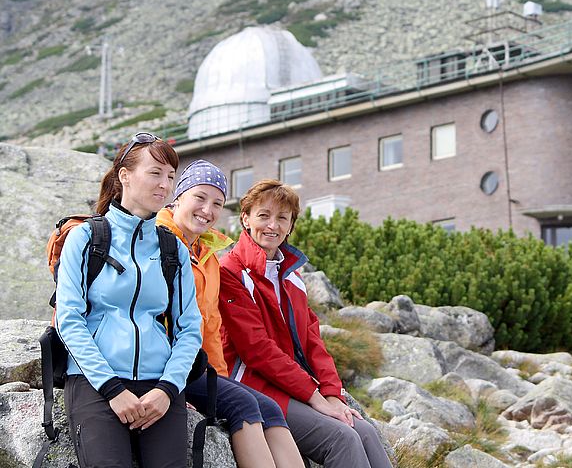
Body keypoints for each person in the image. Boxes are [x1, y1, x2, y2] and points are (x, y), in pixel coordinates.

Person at [219, 179, 392, 468]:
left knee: (365, 431)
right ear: (245, 219)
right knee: (342, 438)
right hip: (253, 385)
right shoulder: (230, 271)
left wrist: (332, 393)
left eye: (282, 218)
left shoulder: (291, 275)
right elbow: (256, 350)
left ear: (291, 226)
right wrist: (314, 396)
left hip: (290, 384)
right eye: (264, 216)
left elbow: (313, 340)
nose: (272, 225)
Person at [56, 133, 202, 467]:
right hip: (95, 380)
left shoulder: (172, 248)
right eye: (155, 173)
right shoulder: (87, 237)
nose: (165, 185)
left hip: (159, 385)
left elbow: (189, 327)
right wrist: (111, 389)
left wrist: (167, 389)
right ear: (125, 175)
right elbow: (69, 319)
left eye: (170, 176)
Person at [156, 160, 305, 468]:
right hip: (161, 367)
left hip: (195, 368)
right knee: (243, 403)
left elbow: (210, 326)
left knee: (270, 409)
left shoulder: (208, 255)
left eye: (217, 203)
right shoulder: (156, 239)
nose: (207, 210)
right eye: (200, 197)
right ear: (179, 195)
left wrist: (219, 382)